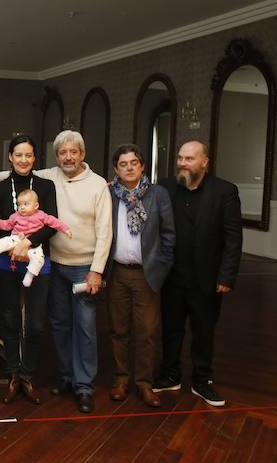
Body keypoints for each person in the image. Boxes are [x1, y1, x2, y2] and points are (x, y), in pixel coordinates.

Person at [153, 141, 242, 407]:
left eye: (189, 158)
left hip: (207, 279)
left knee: (204, 331)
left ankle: (202, 380)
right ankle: (170, 375)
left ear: (205, 162)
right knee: (171, 329)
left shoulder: (224, 192)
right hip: (172, 277)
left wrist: (226, 277)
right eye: (180, 157)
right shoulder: (166, 188)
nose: (182, 163)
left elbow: (233, 239)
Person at [33, 130, 112, 414]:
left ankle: (84, 387)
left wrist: (97, 271)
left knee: (86, 329)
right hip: (55, 265)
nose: (68, 157)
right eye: (62, 152)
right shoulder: (49, 176)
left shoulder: (98, 185)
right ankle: (67, 377)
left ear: (83, 154)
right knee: (60, 324)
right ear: (57, 156)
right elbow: (20, 171)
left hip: (84, 268)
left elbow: (105, 232)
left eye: (73, 152)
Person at [0, 135, 58, 404]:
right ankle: (13, 374)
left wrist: (28, 243)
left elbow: (51, 224)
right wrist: (14, 248)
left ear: (35, 158)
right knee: (9, 319)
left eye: (28, 155)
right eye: (18, 155)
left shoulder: (46, 186)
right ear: (10, 157)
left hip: (39, 259)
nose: (24, 160)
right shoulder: (0, 189)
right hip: (7, 262)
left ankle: (28, 375)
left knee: (37, 323)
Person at [104, 144, 175, 408]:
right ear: (116, 169)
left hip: (147, 275)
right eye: (123, 164)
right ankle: (121, 379)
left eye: (134, 162)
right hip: (117, 273)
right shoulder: (109, 194)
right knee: (118, 330)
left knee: (146, 332)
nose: (129, 167)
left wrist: (161, 268)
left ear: (143, 166)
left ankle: (144, 383)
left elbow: (168, 236)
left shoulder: (158, 195)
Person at [0, 188, 72, 287]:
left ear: (36, 206)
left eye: (26, 204)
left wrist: (65, 229)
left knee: (39, 259)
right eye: (19, 204)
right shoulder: (15, 216)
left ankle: (30, 275)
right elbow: (7, 224)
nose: (22, 207)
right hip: (16, 239)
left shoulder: (41, 215)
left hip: (34, 244)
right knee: (4, 241)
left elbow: (54, 222)